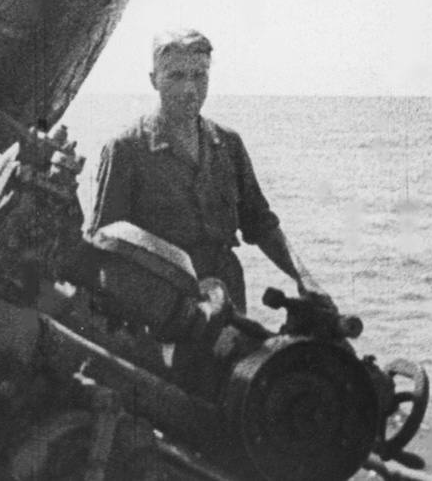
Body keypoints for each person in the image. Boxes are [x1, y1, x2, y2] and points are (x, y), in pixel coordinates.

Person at [89, 29, 330, 315]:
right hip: (162, 310)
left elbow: (261, 224)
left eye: (199, 76)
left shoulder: (228, 144)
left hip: (227, 297)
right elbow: (104, 243)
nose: (189, 88)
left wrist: (304, 278)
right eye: (176, 76)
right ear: (154, 80)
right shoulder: (126, 149)